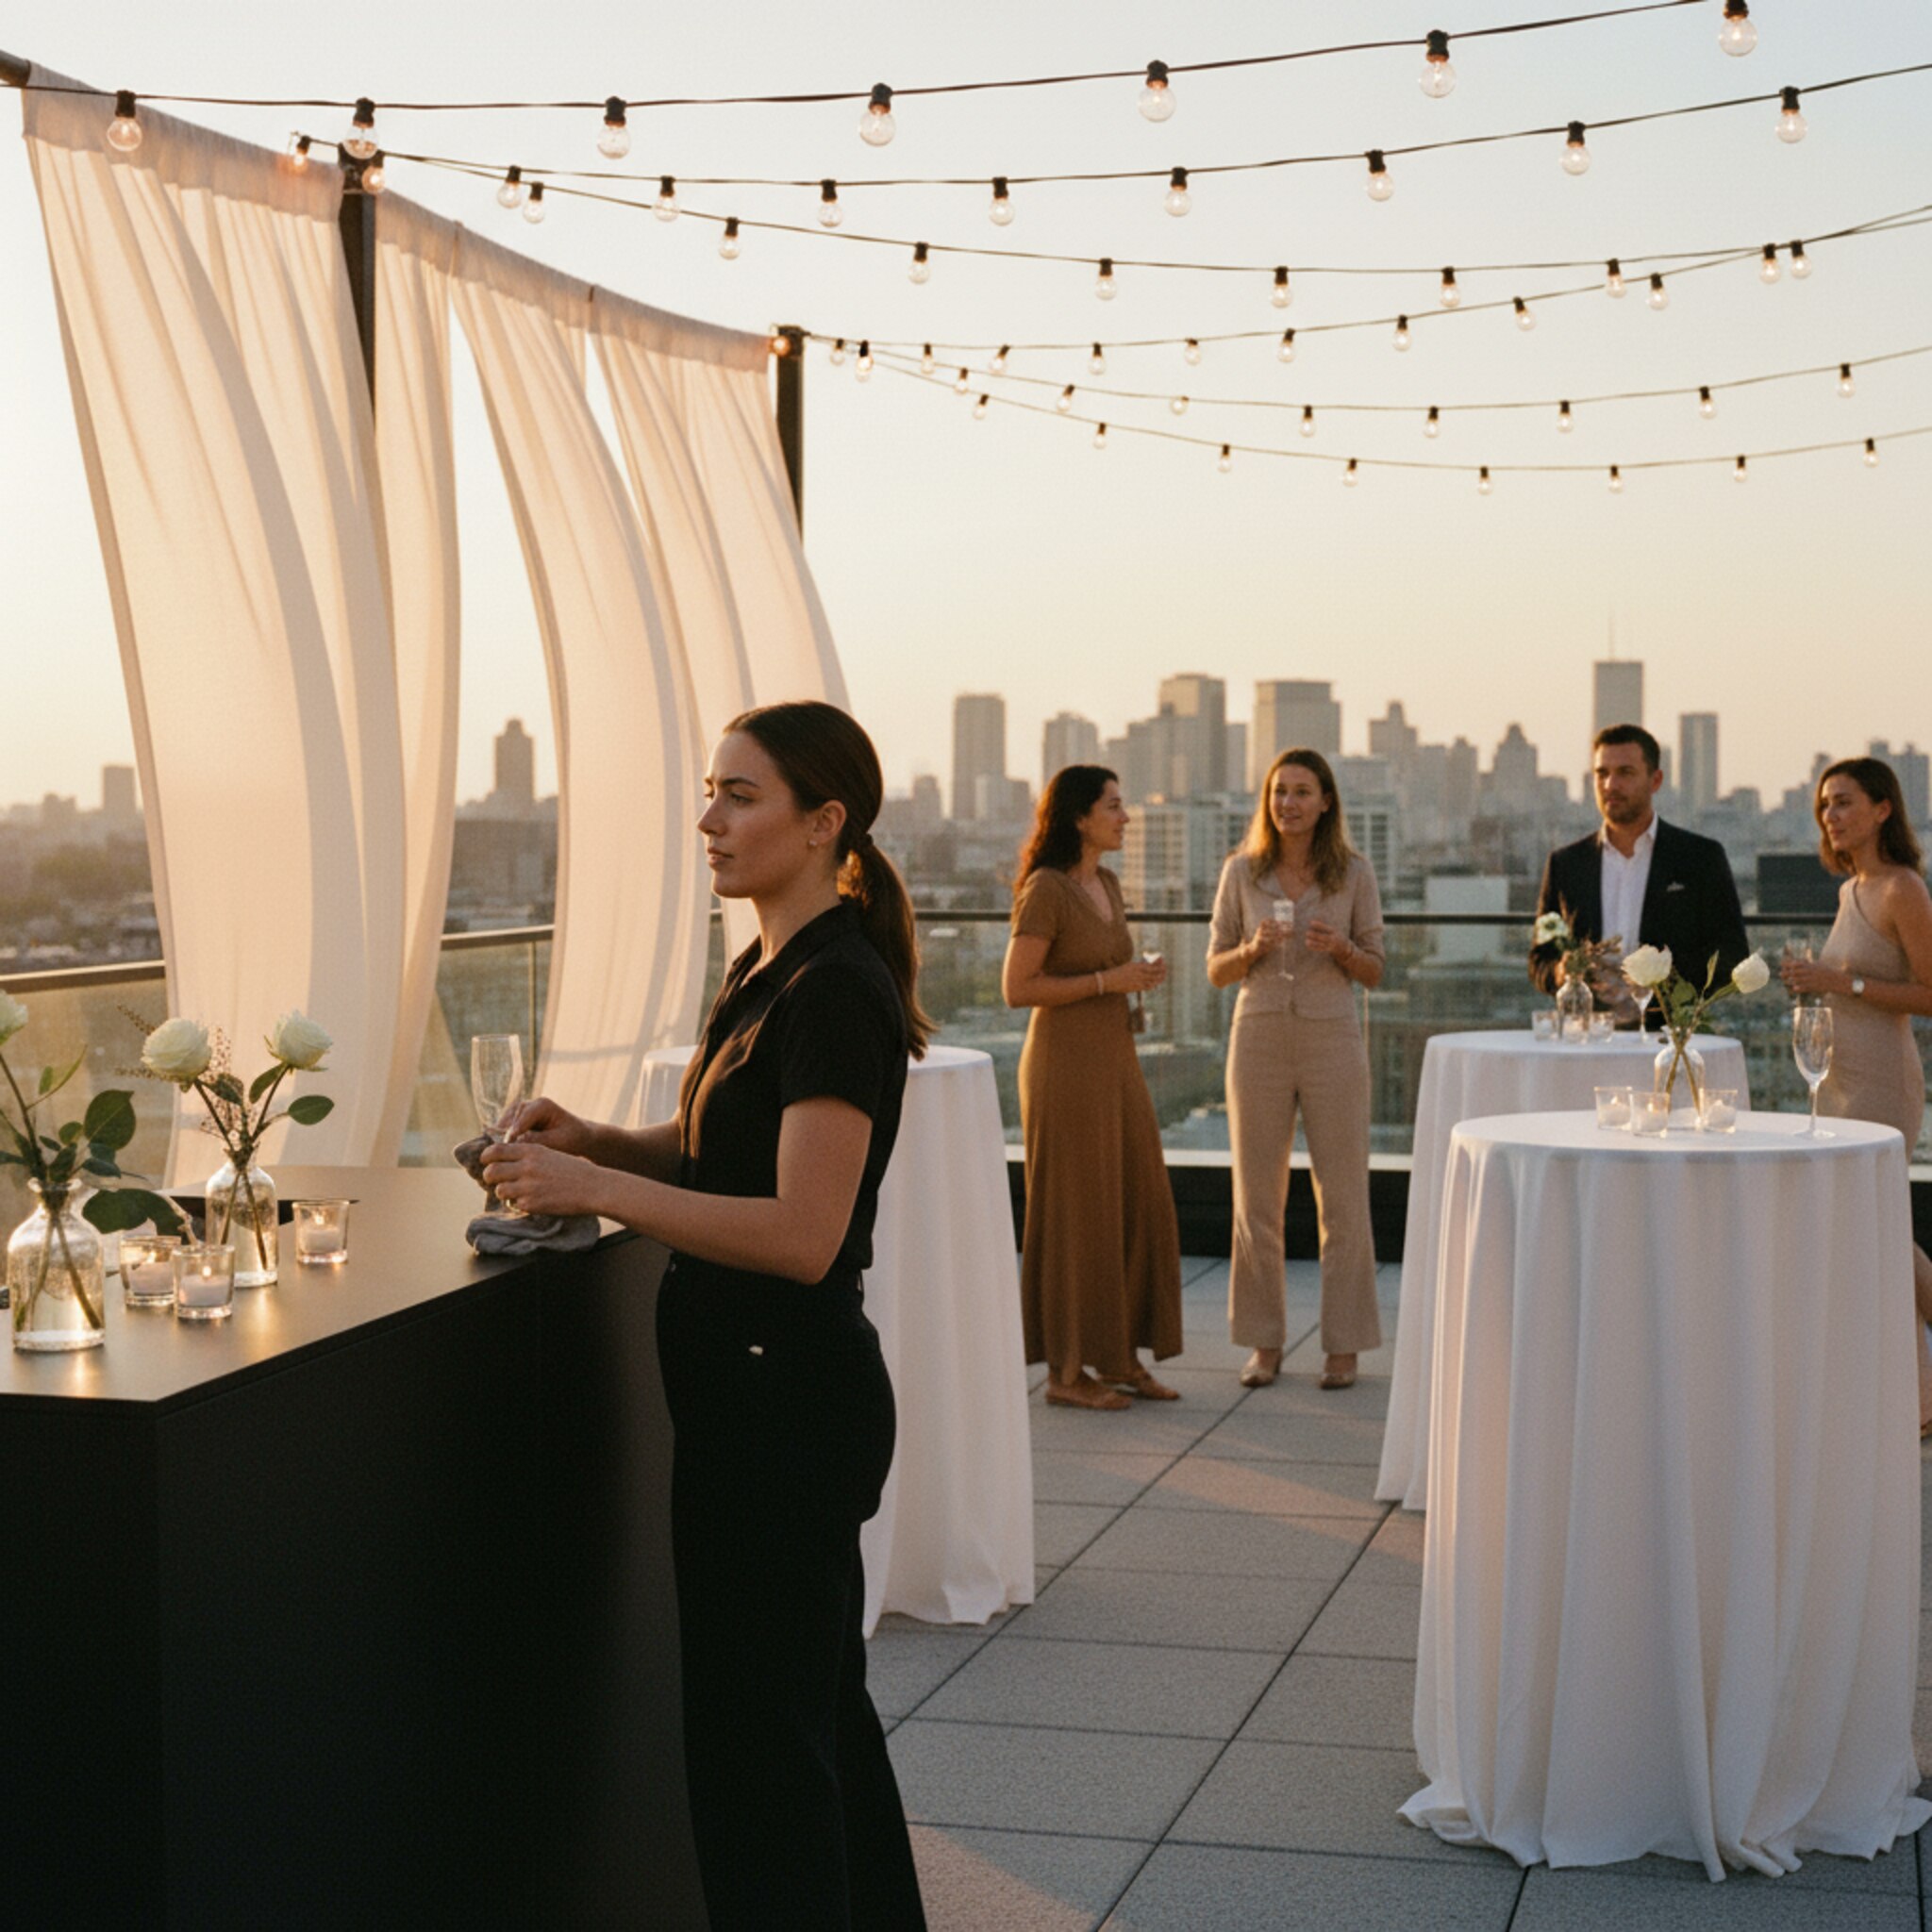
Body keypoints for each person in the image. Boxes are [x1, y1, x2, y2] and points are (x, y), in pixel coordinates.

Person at [481, 700, 928, 1931]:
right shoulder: (766, 968)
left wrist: (597, 1189)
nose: (709, 820)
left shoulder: (837, 988)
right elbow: (719, 1154)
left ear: (824, 822)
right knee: (814, 1720)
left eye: (741, 796)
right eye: (710, 790)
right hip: (754, 1402)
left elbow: (801, 1232)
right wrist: (602, 1142)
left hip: (785, 1412)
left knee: (759, 1763)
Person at [1002, 765, 1182, 1411]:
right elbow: (1018, 988)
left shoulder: (1106, 882)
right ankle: (1066, 1372)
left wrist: (1134, 981)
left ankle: (1120, 1357)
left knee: (1135, 1197)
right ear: (1079, 817)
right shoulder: (1047, 889)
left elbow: (1107, 969)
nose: (1125, 816)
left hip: (1114, 1056)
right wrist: (1111, 983)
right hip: (1064, 1065)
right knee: (1078, 1213)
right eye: (1114, 805)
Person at [1207, 748, 1385, 1391]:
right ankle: (1264, 1342)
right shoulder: (1241, 873)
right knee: (1256, 1198)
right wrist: (1252, 949)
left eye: (1302, 792)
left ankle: (1345, 1345)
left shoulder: (1354, 874)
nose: (1289, 803)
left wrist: (1340, 947)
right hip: (1257, 1037)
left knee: (1342, 1197)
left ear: (1326, 801)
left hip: (1333, 1038)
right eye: (1280, 792)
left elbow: (1375, 967)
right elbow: (1215, 968)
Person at [1781, 756, 1932, 1434]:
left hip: (1882, 1083)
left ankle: (1920, 1398)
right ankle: (1912, 1393)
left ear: (1881, 810)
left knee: (1874, 1229)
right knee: (1874, 1232)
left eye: (1843, 802)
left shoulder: (1902, 889)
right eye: (1823, 807)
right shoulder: (1850, 891)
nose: (1831, 817)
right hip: (1837, 1080)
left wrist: (1844, 985)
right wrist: (1813, 982)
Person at [1530, 724, 1749, 1017]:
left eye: (1625, 773)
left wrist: (1657, 982)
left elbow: (1732, 956)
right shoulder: (1566, 864)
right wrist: (1562, 971)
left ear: (1655, 780)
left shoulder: (1700, 858)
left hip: (1670, 1038)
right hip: (1587, 1037)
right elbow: (1538, 962)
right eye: (1602, 774)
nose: (1610, 785)